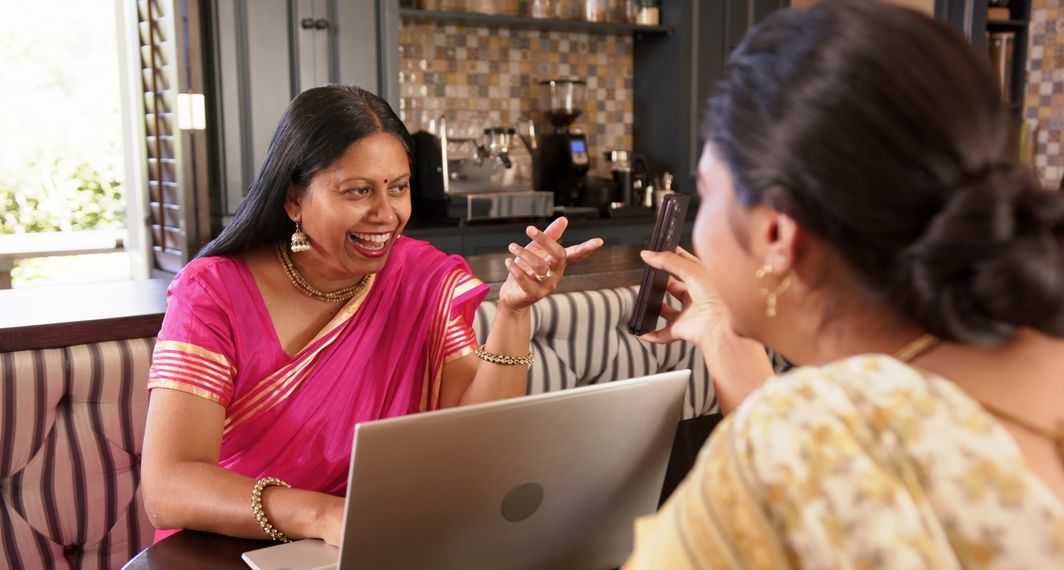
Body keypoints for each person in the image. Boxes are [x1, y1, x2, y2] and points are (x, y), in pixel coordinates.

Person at [626, 1, 1064, 567]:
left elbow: (813, 462)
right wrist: (720, 330)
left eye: (707, 192)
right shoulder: (1034, 353)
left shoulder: (799, 442)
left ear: (778, 233)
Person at [140, 84, 603, 545]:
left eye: (398, 188)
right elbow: (167, 488)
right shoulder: (213, 291)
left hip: (373, 541)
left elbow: (477, 442)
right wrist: (324, 517)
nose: (386, 214)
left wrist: (513, 313)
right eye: (358, 191)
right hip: (230, 548)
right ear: (294, 199)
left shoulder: (421, 278)